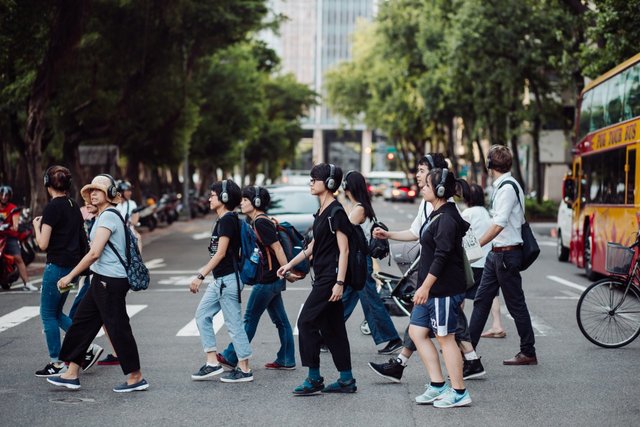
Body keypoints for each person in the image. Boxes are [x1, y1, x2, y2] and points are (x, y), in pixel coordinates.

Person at [46, 174, 149, 392]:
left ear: (110, 194)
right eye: (91, 190)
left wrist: (70, 275)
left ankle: (136, 376)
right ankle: (71, 373)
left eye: (98, 190)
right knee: (82, 324)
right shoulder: (103, 216)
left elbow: (94, 253)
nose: (93, 193)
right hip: (101, 280)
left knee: (118, 327)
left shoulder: (109, 216)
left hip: (111, 282)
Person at [368, 153, 448, 382]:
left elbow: (443, 253)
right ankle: (402, 365)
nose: (417, 175)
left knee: (447, 332)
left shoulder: (445, 207)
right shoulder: (426, 202)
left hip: (438, 277)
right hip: (429, 274)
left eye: (422, 170)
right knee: (419, 324)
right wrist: (388, 234)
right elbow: (415, 232)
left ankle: (464, 370)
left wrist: (427, 284)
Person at [278, 163, 357, 395]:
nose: (311, 183)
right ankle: (346, 379)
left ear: (330, 183)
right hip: (323, 275)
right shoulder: (323, 211)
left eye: (315, 179)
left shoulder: (336, 212)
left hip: (330, 279)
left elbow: (345, 250)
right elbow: (313, 246)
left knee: (305, 323)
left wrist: (340, 283)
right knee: (333, 328)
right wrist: (289, 265)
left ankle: (313, 378)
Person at [468, 145, 537, 365]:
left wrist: (477, 245)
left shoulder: (507, 188)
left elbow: (499, 225)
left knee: (516, 304)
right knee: (481, 301)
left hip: (506, 255)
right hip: (496, 254)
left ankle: (528, 352)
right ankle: (468, 352)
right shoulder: (501, 186)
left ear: (489, 165)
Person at [410, 167, 472, 408]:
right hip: (432, 289)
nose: (422, 188)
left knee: (446, 338)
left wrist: (424, 287)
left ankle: (459, 392)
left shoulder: (446, 218)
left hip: (443, 289)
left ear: (440, 189)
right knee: (417, 332)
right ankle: (438, 386)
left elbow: (442, 255)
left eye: (426, 185)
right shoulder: (436, 212)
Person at [32, 166, 103, 377]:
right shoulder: (73, 205)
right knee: (57, 313)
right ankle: (88, 348)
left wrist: (36, 226)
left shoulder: (52, 208)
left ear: (47, 183)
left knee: (47, 314)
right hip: (72, 267)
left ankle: (56, 362)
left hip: (56, 267)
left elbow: (43, 244)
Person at [217, 185, 296, 371]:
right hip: (273, 279)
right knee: (281, 321)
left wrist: (286, 271)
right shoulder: (258, 221)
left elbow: (276, 248)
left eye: (245, 200)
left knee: (250, 318)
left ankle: (231, 355)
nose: (241, 203)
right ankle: (286, 358)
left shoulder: (261, 222)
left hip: (268, 279)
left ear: (256, 202)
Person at [190, 179, 254, 383]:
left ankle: (244, 369)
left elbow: (220, 254)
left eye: (213, 195)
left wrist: (200, 276)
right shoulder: (223, 219)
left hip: (228, 280)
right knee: (202, 316)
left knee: (234, 324)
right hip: (221, 280)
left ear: (224, 198)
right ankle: (212, 362)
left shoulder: (228, 220)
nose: (209, 198)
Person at [341, 170, 402, 354]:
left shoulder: (359, 209)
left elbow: (343, 229)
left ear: (348, 186)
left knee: (370, 301)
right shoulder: (358, 206)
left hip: (360, 260)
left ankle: (392, 338)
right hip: (357, 260)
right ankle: (327, 335)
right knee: (344, 300)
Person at [0, 185, 34, 291]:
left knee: (18, 258)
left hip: (10, 237)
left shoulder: (13, 208)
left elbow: (15, 226)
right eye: (2, 194)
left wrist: (8, 226)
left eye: (6, 195)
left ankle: (27, 283)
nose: (4, 197)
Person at [116, 180, 142, 252]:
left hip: (129, 232)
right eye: (127, 191)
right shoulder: (113, 204)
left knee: (138, 237)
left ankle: (138, 261)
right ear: (121, 192)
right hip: (116, 232)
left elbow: (134, 221)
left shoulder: (132, 204)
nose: (130, 193)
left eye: (130, 191)